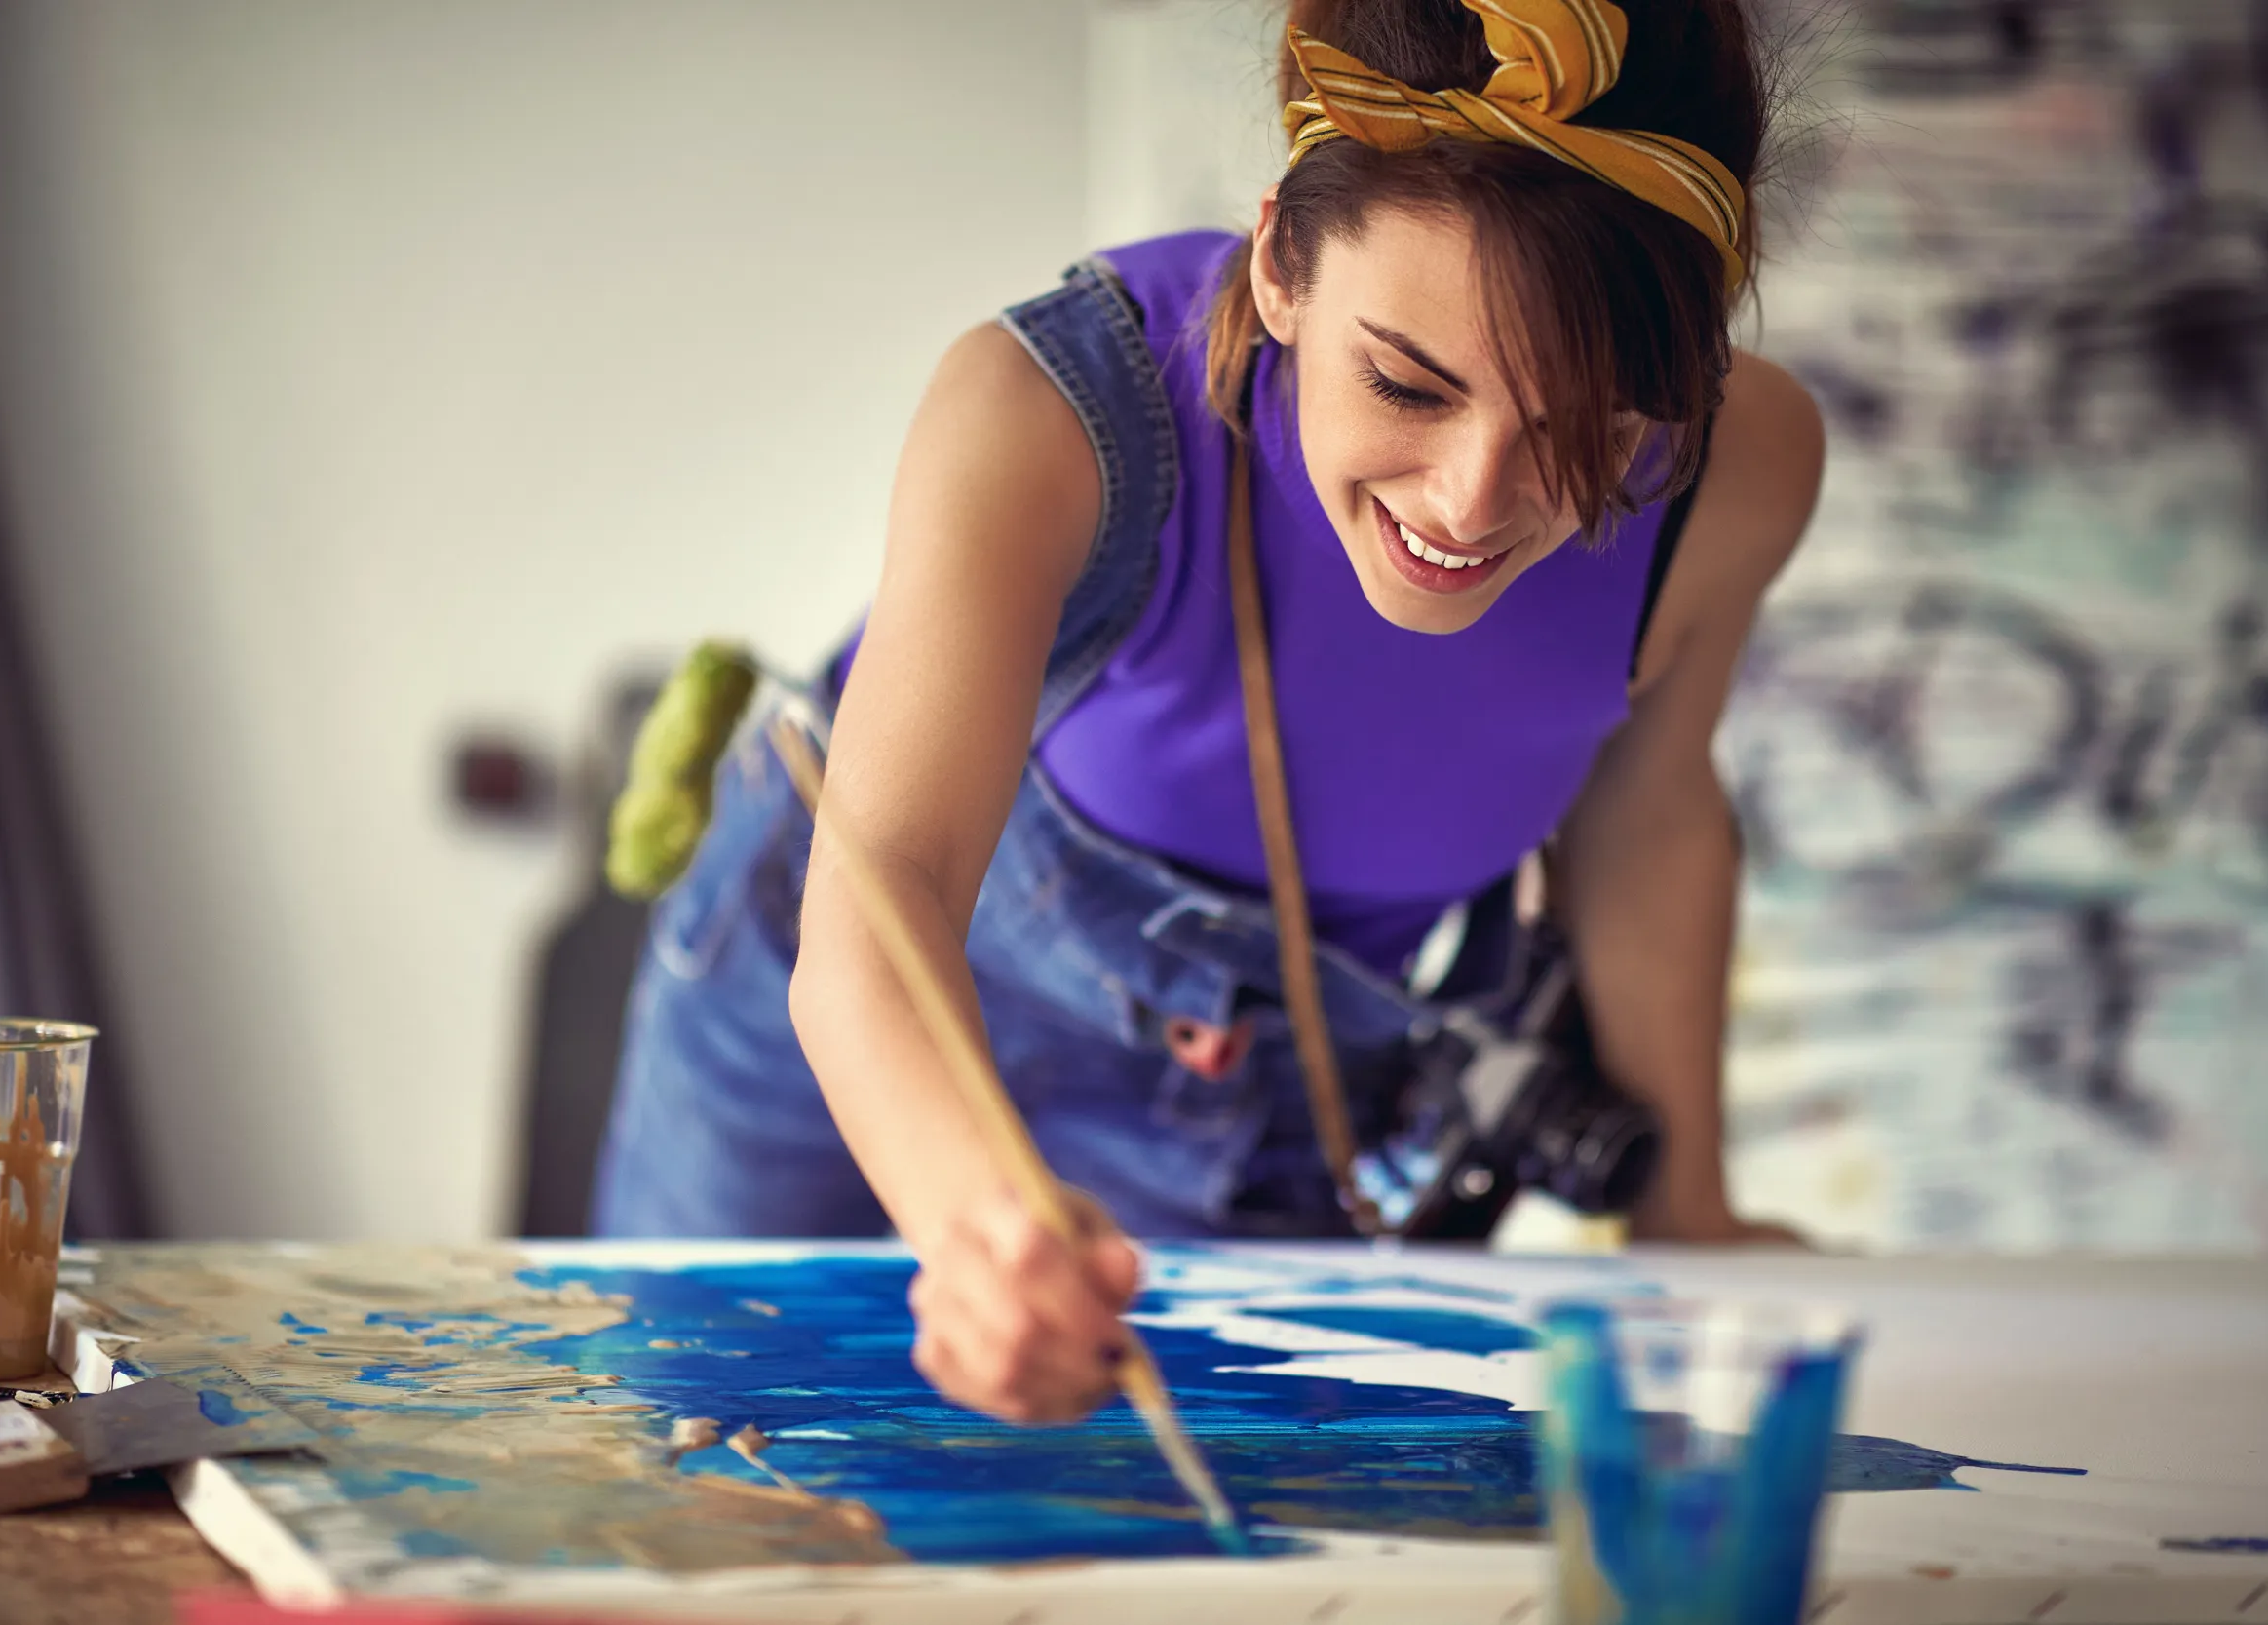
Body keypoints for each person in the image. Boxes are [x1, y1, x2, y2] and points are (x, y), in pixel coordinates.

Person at [593, 0, 1823, 1426]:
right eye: (1406, 385)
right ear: (1283, 264)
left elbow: (1647, 813)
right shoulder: (1049, 414)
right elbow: (884, 900)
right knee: (700, 1449)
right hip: (848, 1004)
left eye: (1593, 426)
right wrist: (981, 1226)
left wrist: (1684, 1210)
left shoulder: (1741, 472)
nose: (1471, 504)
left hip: (1274, 1081)